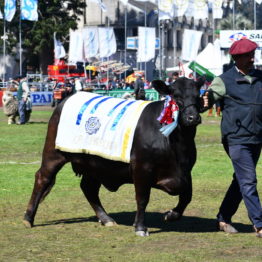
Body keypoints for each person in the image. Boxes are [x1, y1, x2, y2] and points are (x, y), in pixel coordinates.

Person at [203, 38, 262, 238]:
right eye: (247, 56)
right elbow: (207, 101)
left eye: (252, 54)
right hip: (235, 138)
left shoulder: (261, 77)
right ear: (236, 58)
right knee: (248, 180)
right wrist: (206, 99)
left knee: (241, 180)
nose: (252, 58)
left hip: (257, 138)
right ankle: (259, 224)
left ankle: (223, 217)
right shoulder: (223, 80)